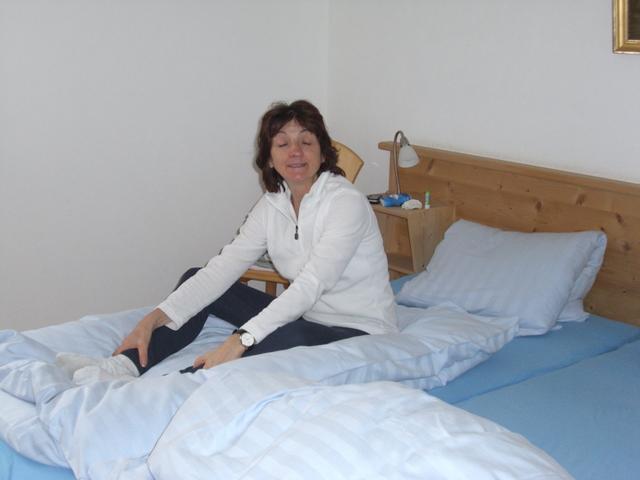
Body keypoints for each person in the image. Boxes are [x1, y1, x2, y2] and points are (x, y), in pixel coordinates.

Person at [57, 100, 398, 383]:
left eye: (306, 142)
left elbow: (311, 285)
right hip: (308, 318)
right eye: (283, 144)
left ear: (323, 153)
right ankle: (123, 366)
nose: (295, 152)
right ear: (269, 157)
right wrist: (154, 318)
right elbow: (223, 268)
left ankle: (181, 381)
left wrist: (241, 339)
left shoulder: (345, 203)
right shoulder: (273, 204)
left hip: (360, 331)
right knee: (197, 278)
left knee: (290, 337)